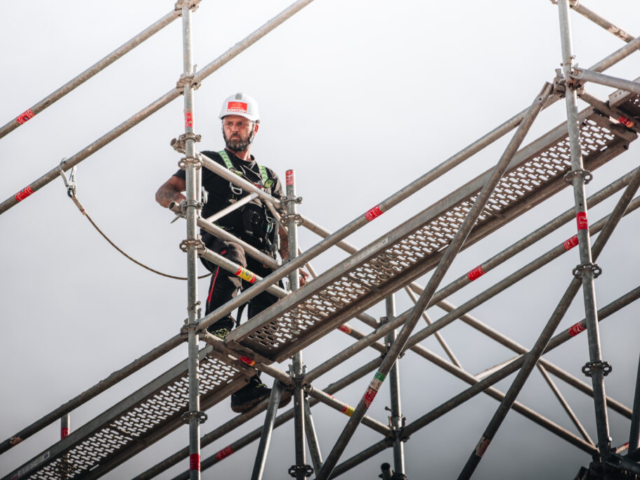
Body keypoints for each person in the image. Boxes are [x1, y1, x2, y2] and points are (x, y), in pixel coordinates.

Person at [156, 92, 306, 412]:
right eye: (229, 124)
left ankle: (247, 387)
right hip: (224, 244)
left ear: (254, 129)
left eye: (241, 124)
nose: (234, 129)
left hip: (262, 255)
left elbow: (283, 229)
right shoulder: (208, 161)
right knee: (232, 259)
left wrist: (293, 262)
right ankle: (218, 326)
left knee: (271, 300)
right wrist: (180, 205)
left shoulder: (269, 179)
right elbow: (165, 191)